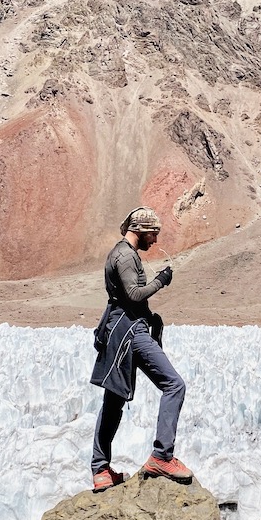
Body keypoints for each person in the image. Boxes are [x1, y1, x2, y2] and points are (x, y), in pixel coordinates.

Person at [89, 206, 191, 491]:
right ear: (141, 229)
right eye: (153, 234)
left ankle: (100, 470)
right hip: (130, 332)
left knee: (113, 401)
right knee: (174, 385)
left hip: (120, 330)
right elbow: (133, 294)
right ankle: (162, 456)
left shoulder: (123, 254)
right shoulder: (124, 256)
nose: (154, 241)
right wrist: (161, 281)